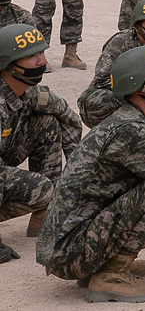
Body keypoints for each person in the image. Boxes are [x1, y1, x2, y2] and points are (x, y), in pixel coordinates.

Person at [36, 45, 145, 302]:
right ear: (141, 87)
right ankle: (111, 274)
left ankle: (103, 263)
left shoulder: (131, 120)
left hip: (68, 245)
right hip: (69, 252)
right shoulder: (131, 130)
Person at [0, 23, 81, 249]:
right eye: (31, 56)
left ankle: (45, 214)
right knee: (42, 188)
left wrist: (77, 177)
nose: (41, 61)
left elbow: (68, 117)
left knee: (48, 123)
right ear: (7, 64)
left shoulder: (28, 91)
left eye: (42, 53)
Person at [78, 0, 145, 129]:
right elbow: (102, 80)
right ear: (137, 26)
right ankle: (113, 133)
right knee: (99, 101)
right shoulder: (120, 42)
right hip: (125, 96)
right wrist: (140, 86)